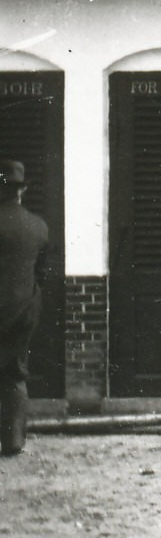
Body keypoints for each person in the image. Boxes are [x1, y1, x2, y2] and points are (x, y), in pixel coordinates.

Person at [0, 160, 49, 458]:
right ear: (23, 190)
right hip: (23, 310)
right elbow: (40, 273)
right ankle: (14, 440)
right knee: (15, 373)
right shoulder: (38, 227)